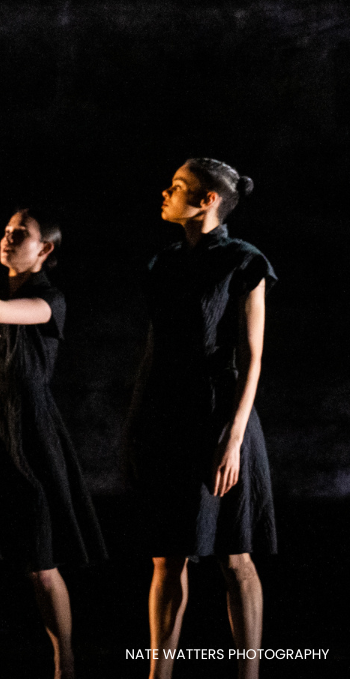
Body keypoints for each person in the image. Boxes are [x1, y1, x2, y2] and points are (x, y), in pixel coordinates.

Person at [0, 208, 106, 679]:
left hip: (28, 437)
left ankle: (64, 663)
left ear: (45, 249)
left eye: (20, 234)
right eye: (6, 230)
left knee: (40, 563)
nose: (8, 238)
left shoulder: (49, 298)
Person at [126, 158, 275, 679]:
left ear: (208, 199)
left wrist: (233, 438)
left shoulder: (243, 261)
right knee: (167, 555)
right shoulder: (163, 262)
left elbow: (252, 355)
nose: (166, 193)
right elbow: (155, 350)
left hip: (219, 415)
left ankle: (249, 672)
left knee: (234, 555)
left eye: (178, 187)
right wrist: (140, 423)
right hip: (168, 414)